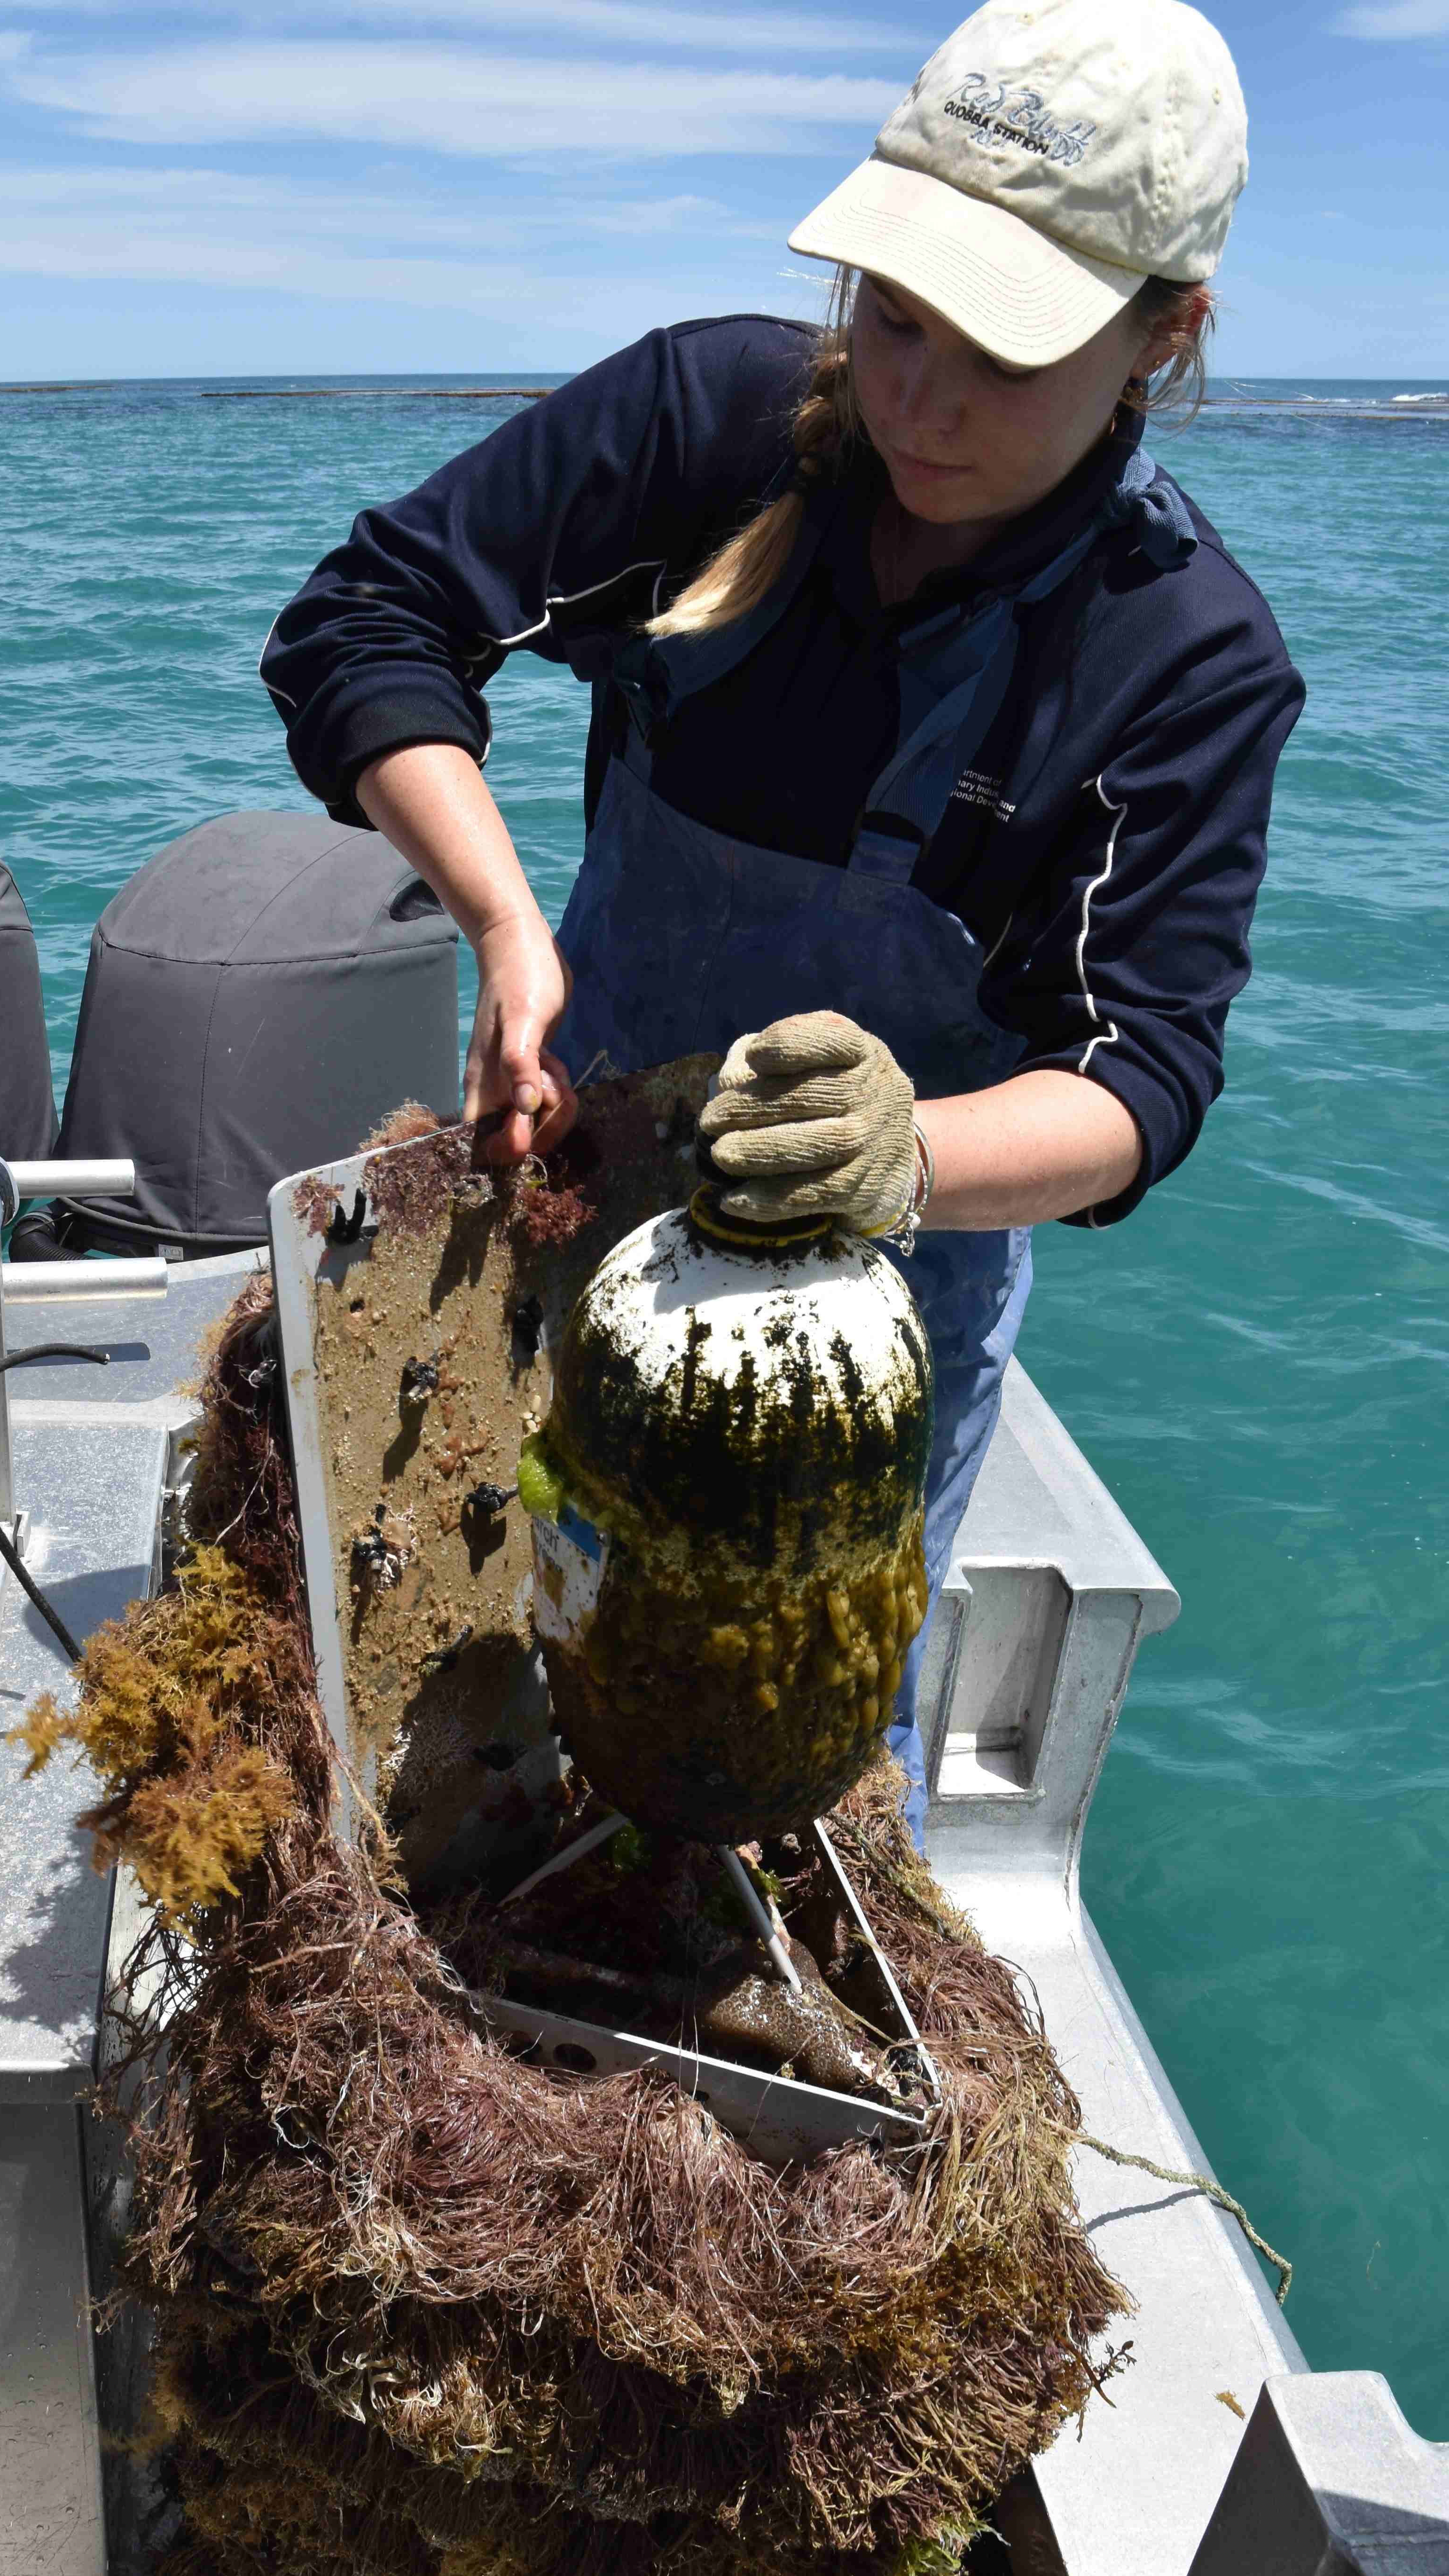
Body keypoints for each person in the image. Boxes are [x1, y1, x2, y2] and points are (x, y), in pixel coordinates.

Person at [261, 0, 1304, 1837]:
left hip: (886, 1284)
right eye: (892, 314)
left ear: (1165, 332)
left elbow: (1143, 1075)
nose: (917, 396)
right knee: (505, 1621)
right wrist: (510, 926)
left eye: (1001, 350)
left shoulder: (1183, 657)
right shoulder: (712, 420)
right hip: (569, 1153)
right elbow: (368, 619)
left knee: (789, 1735)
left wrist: (902, 1155)